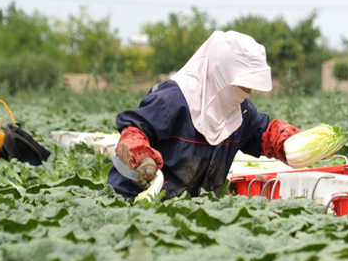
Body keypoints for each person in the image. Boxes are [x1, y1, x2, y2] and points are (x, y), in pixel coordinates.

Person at [108, 30, 301, 200]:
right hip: (135, 203)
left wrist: (297, 144)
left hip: (191, 211)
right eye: (243, 85)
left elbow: (265, 135)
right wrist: (143, 158)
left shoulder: (240, 110)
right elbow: (133, 133)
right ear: (222, 74)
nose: (248, 92)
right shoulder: (172, 99)